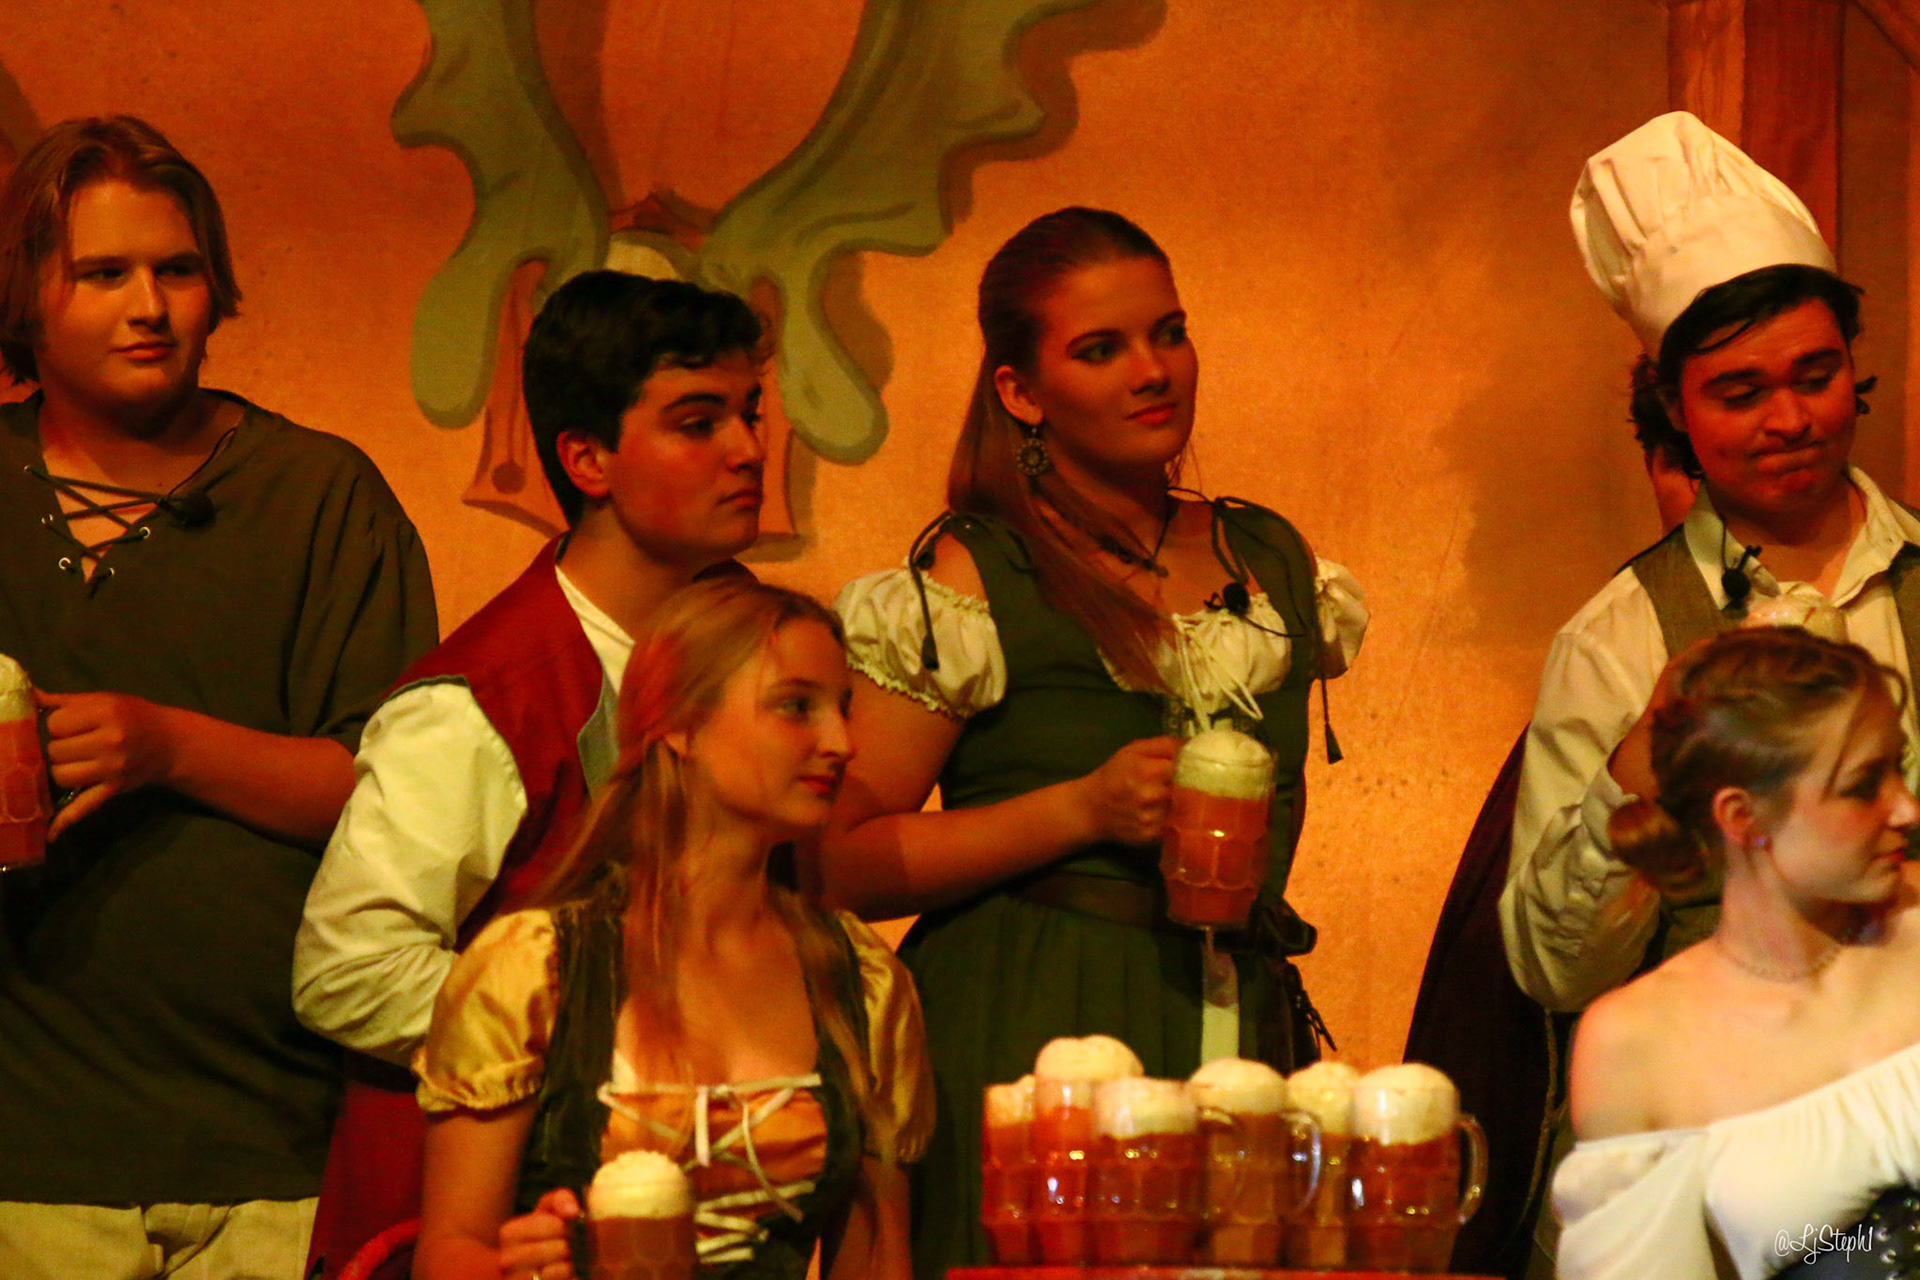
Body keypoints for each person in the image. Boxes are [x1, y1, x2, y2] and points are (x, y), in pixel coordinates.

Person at [818, 206, 1367, 1277]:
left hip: (1234, 1024)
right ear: (1022, 391)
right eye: (1101, 349)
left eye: (1169, 333)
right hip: (1034, 1030)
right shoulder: (977, 573)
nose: (1152, 371)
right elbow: (839, 859)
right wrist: (1078, 809)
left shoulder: (1270, 558)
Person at [0, 116, 436, 1277]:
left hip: (267, 1141)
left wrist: (165, 745)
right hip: (26, 1148)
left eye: (178, 269)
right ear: (26, 294)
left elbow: (391, 793)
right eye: (103, 273)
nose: (148, 305)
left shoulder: (317, 495)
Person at [292, 268, 768, 1274]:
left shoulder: (750, 647)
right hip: (488, 1225)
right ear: (587, 458)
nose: (748, 449)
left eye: (750, 412)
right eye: (699, 421)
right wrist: (595, 1034)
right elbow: (351, 969)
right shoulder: (483, 698)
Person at [1502, 112, 1920, 1016]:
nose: (1790, 420)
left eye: (1816, 377)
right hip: (1726, 1088)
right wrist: (1642, 764)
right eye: (1741, 393)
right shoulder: (1616, 639)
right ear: (1674, 408)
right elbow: (1554, 974)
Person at [413, 576, 932, 1280]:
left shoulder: (861, 980)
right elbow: (449, 1251)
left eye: (843, 709)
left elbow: (878, 1263)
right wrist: (515, 1268)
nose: (842, 743)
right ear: (682, 723)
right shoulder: (537, 966)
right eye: (796, 706)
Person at [1553, 627, 1920, 1278]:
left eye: (1901, 766)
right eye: (1865, 784)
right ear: (1742, 817)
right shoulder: (1638, 1043)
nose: (1907, 808)